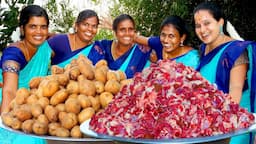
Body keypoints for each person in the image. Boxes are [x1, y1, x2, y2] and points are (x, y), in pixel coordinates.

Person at [193, 2, 256, 144]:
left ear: (220, 22)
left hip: (232, 128)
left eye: (207, 23)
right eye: (198, 26)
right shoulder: (204, 48)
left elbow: (234, 95)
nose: (202, 30)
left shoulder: (236, 51)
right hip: (207, 125)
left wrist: (216, 126)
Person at [0, 5, 51, 144]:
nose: (39, 32)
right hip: (8, 104)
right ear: (23, 28)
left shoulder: (45, 47)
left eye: (43, 27)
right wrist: (5, 126)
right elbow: (10, 90)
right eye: (32, 26)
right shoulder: (14, 54)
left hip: (30, 106)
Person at [96, 14, 151, 78]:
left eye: (130, 29)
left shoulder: (141, 50)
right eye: (122, 30)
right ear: (115, 32)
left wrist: (136, 38)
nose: (127, 33)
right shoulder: (104, 46)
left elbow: (160, 43)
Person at [135, 15, 199, 69]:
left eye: (171, 36)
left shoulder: (193, 59)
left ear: (182, 38)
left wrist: (157, 64)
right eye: (163, 35)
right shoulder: (158, 43)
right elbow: (136, 38)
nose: (165, 40)